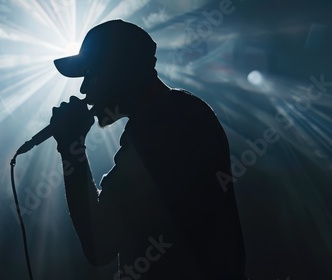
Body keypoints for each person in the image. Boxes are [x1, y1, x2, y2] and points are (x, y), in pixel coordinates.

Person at [49, 19, 247, 279]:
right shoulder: (174, 114)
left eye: (90, 74)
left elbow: (101, 245)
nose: (84, 89)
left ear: (118, 70)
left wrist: (70, 148)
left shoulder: (166, 122)